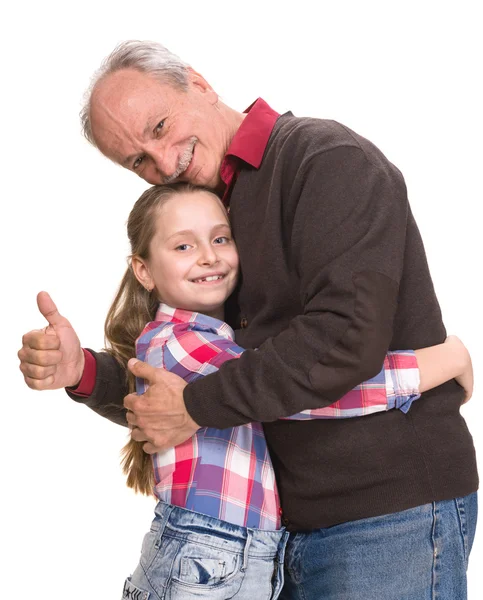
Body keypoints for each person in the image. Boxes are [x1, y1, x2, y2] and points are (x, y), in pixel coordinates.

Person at [18, 41, 478, 599]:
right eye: (138, 160)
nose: (162, 163)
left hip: (386, 515)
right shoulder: (207, 215)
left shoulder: (324, 159)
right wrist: (86, 372)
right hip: (275, 540)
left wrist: (194, 407)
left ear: (199, 83)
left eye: (160, 126)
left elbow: (341, 341)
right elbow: (199, 378)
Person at [118, 182, 470, 598]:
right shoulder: (183, 343)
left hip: (227, 555)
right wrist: (435, 364)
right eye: (183, 247)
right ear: (142, 269)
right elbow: (305, 390)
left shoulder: (212, 336)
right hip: (207, 557)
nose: (209, 256)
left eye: (220, 238)